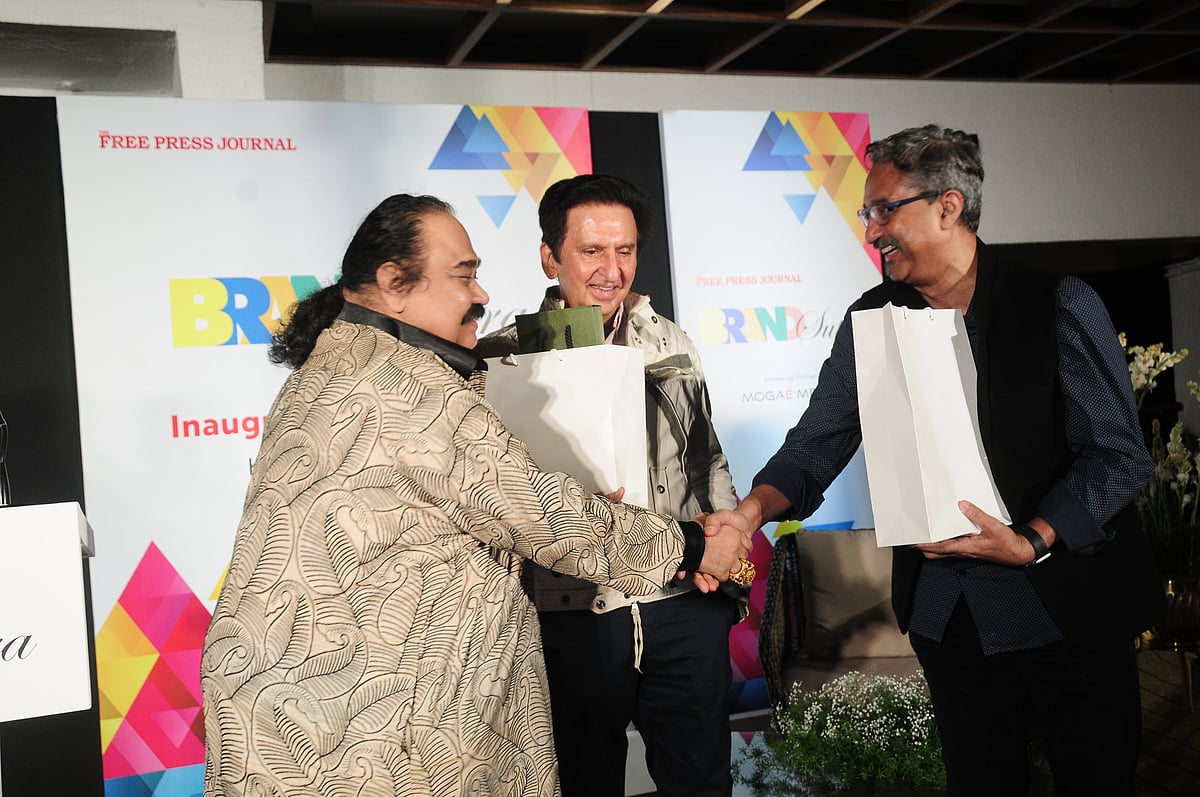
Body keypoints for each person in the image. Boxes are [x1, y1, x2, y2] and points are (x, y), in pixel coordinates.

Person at [199, 193, 752, 797]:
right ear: (393, 282)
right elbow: (552, 520)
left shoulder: (326, 368)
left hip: (310, 714)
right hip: (377, 726)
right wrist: (696, 545)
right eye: (464, 275)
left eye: (626, 250)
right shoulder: (416, 387)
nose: (481, 294)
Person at [704, 125, 1165, 797]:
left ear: (948, 207)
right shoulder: (874, 316)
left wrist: (1034, 539)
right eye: (868, 212)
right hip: (951, 619)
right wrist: (749, 513)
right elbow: (818, 441)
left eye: (885, 209)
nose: (871, 229)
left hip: (1068, 608)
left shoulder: (1055, 300)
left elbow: (1119, 454)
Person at [477, 174, 745, 797]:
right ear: (551, 256)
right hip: (571, 614)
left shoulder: (669, 341)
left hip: (681, 602)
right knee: (581, 782)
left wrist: (724, 559)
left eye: (624, 250)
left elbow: (707, 459)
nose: (611, 269)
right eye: (592, 251)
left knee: (702, 783)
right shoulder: (506, 356)